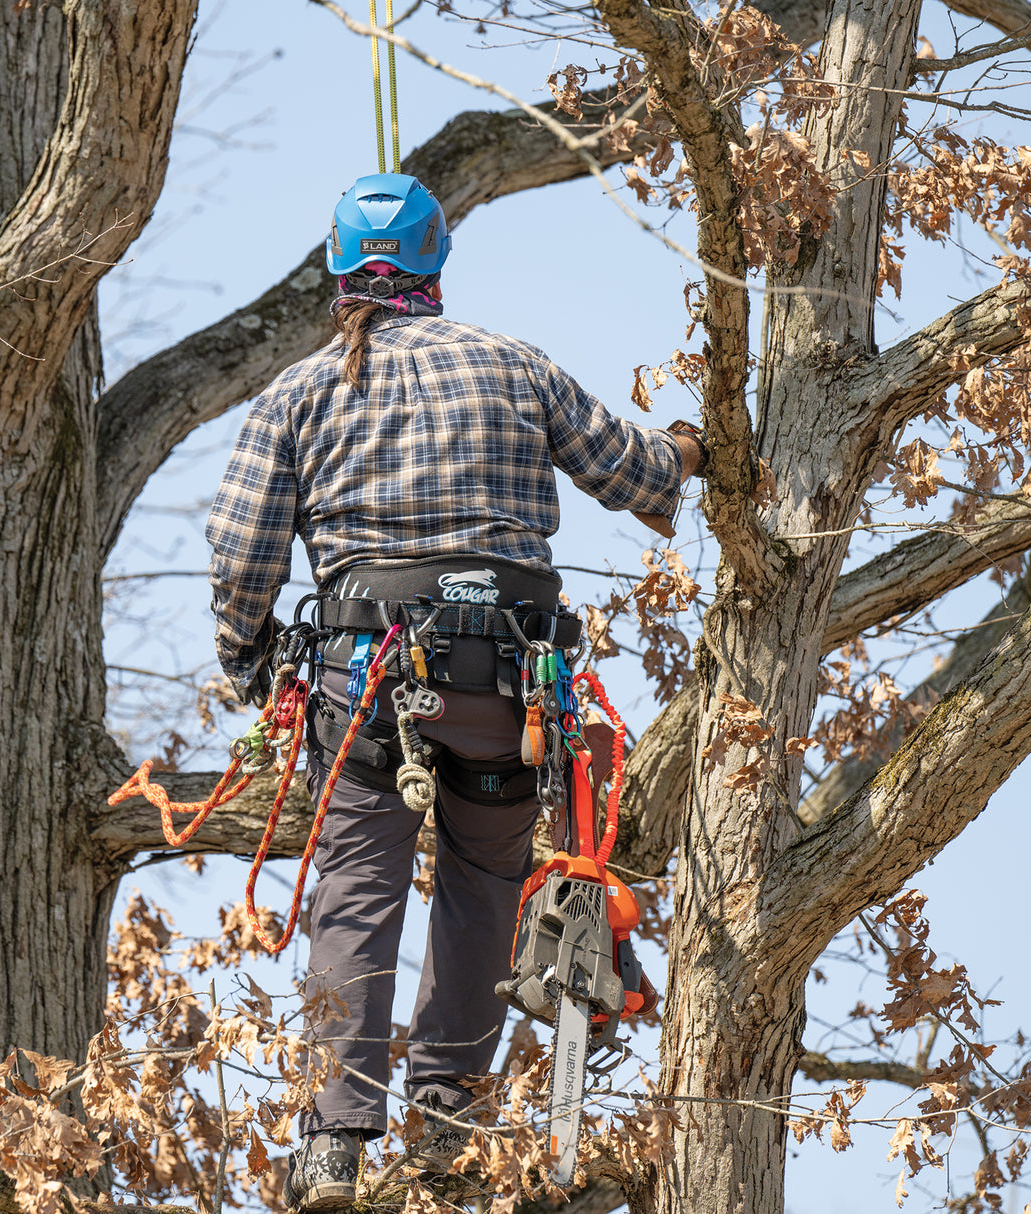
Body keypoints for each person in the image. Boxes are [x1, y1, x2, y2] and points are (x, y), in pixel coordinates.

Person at [206, 173, 706, 1211]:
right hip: (509, 685)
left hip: (367, 682)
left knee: (356, 885)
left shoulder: (297, 393)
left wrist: (248, 656)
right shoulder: (512, 363)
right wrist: (698, 445)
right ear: (435, 265)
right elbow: (640, 474)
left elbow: (240, 557)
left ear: (337, 272)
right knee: (483, 882)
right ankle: (444, 1124)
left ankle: (335, 1142)